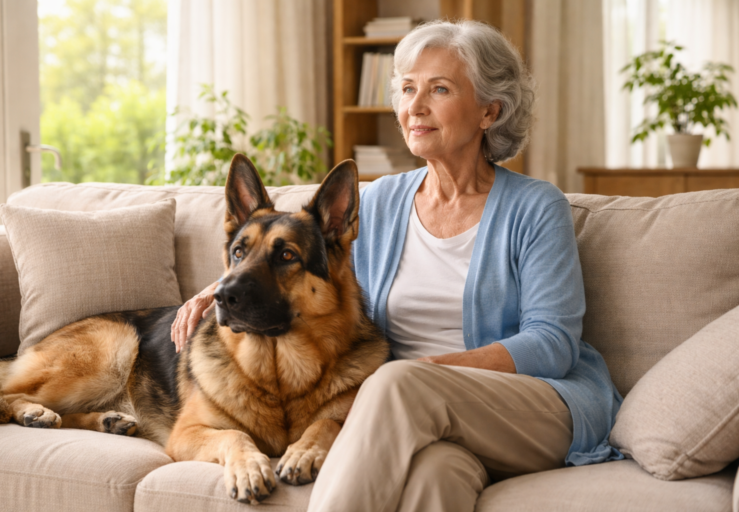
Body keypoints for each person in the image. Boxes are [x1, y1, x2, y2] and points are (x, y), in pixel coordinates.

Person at [172, 19, 623, 512]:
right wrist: (220, 288)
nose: (415, 106)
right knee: (435, 479)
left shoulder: (537, 208)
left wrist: (426, 373)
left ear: (490, 110)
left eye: (440, 89)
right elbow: (291, 245)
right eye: (408, 89)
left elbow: (552, 344)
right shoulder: (382, 199)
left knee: (395, 381)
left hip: (532, 407)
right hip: (424, 419)